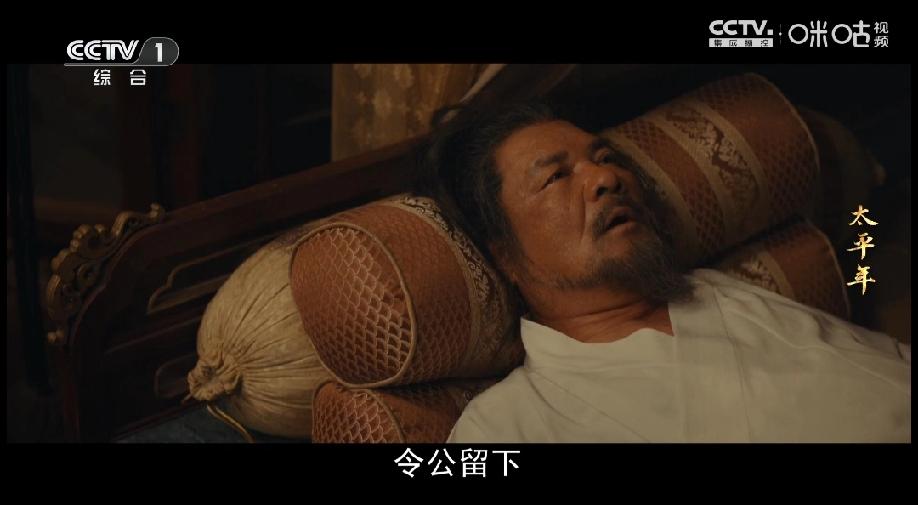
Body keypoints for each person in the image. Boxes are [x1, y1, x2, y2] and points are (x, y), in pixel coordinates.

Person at [412, 101, 910, 442]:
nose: (606, 177)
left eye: (605, 158)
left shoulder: (716, 292)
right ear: (504, 255)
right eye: (556, 176)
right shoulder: (508, 425)